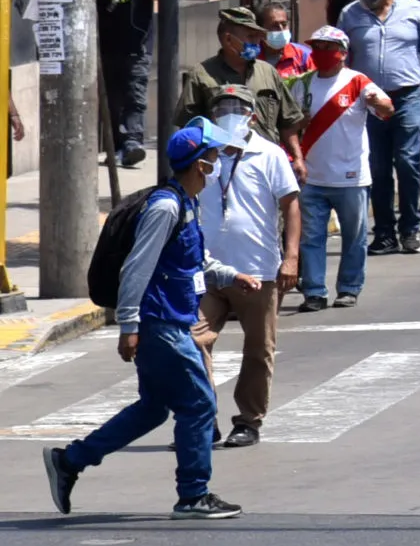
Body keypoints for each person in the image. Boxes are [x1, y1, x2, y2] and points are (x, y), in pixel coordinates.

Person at [44, 123, 260, 521]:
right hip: (160, 323)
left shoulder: (186, 203)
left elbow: (193, 262)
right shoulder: (165, 207)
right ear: (201, 166)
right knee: (198, 404)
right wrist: (128, 325)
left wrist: (230, 276)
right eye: (213, 157)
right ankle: (193, 494)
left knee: (153, 408)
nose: (217, 164)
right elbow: (137, 268)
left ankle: (70, 460)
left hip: (170, 320)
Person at [192, 88, 298, 450]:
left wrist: (291, 257)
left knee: (258, 349)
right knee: (193, 342)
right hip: (207, 270)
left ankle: (249, 421)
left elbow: (292, 205)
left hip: (258, 270)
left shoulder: (269, 155)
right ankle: (203, 419)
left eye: (237, 108)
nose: (229, 114)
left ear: (252, 115)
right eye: (222, 108)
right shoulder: (205, 156)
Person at [339, 0, 420, 257]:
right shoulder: (350, 14)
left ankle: (409, 230)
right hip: (368, 101)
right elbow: (342, 59)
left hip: (406, 97)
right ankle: (384, 233)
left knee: (408, 162)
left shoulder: (413, 10)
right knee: (378, 168)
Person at [290, 28, 395, 312]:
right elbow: (289, 125)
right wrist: (301, 127)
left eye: (328, 47)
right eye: (317, 46)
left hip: (351, 177)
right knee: (311, 238)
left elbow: (386, 110)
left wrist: (379, 103)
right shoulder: (304, 84)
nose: (321, 51)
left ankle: (348, 289)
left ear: (343, 53)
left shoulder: (358, 82)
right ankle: (314, 292)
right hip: (312, 176)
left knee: (354, 236)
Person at [178, 6, 305, 154]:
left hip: (263, 163)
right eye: (251, 36)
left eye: (258, 36)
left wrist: (297, 157)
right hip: (219, 164)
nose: (257, 42)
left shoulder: (268, 72)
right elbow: (189, 128)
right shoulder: (201, 75)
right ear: (228, 39)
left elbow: (287, 123)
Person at [97, 0, 161, 166]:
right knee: (112, 99)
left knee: (135, 95)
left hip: (139, 44)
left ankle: (134, 142)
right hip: (108, 44)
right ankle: (118, 146)